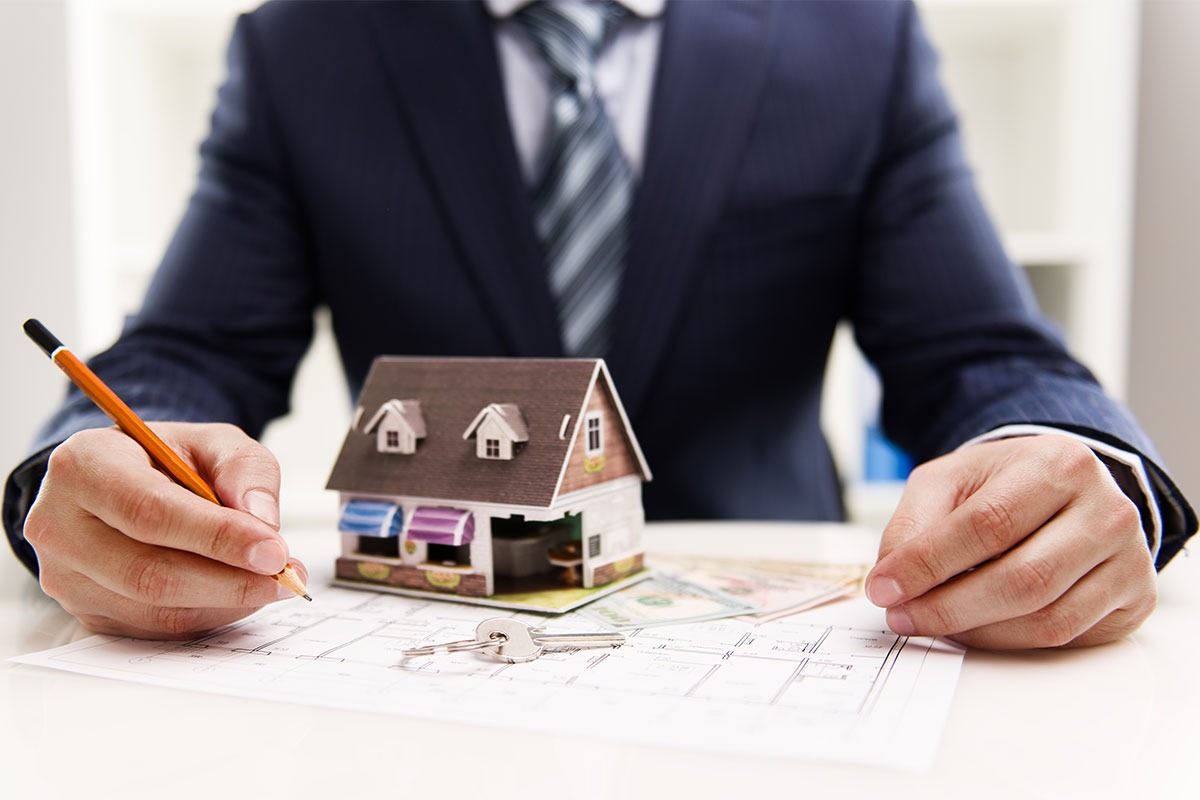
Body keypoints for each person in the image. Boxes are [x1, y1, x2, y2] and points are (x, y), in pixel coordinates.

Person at [5, 0, 1194, 647]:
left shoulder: (859, 35)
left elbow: (984, 351)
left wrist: (1086, 471)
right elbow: (190, 350)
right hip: (438, 655)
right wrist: (89, 467)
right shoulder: (303, 43)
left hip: (786, 646)